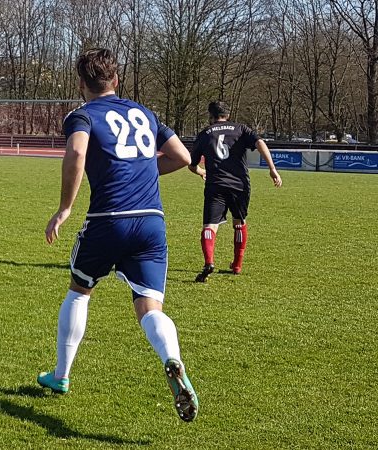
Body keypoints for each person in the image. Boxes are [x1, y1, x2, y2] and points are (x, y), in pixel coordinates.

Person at [36, 48, 199, 422]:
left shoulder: (83, 115)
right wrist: (139, 170)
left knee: (80, 290)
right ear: (117, 81)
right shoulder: (145, 112)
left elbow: (77, 154)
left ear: (81, 84)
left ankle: (60, 376)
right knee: (149, 306)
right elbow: (183, 158)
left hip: (109, 219)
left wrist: (64, 208)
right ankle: (171, 358)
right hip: (151, 223)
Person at [188, 101, 282, 282]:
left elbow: (191, 165)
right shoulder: (241, 129)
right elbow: (260, 142)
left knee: (210, 226)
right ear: (228, 114)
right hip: (239, 185)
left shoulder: (205, 134)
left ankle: (209, 262)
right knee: (239, 222)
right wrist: (272, 168)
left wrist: (201, 172)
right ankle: (237, 265)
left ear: (211, 115)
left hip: (215, 184)